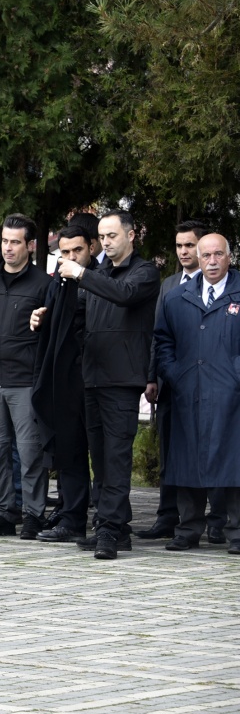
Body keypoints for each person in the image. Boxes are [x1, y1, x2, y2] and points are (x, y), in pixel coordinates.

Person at [39, 211, 160, 559]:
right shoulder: (98, 275)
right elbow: (74, 315)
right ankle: (115, 528)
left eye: (112, 235)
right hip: (91, 378)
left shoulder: (144, 272)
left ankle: (108, 529)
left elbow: (124, 294)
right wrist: (44, 317)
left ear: (131, 235)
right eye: (102, 236)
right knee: (102, 461)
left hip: (122, 380)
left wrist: (81, 274)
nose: (106, 242)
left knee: (117, 459)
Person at [153, 233, 240, 555]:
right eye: (206, 255)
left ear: (230, 257)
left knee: (233, 462)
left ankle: (236, 532)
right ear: (198, 259)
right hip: (188, 391)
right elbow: (163, 341)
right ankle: (188, 529)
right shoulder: (177, 297)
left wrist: (236, 374)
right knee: (187, 460)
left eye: (219, 254)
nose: (212, 261)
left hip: (232, 395)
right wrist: (175, 374)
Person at [140, 220, 221, 541]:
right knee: (172, 451)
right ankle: (167, 515)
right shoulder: (169, 285)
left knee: (215, 449)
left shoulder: (220, 285)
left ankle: (217, 520)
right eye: (179, 246)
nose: (184, 251)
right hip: (173, 384)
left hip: (214, 385)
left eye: (190, 245)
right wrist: (152, 377)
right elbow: (159, 336)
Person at [0, 216, 49, 539]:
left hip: (25, 380)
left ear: (30, 245)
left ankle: (34, 515)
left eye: (15, 241)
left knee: (29, 452)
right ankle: (2, 513)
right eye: (4, 241)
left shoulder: (42, 284)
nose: (8, 247)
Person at [31, 225, 97, 543]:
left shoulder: (100, 279)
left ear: (92, 248)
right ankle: (71, 518)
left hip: (98, 379)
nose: (70, 257)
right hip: (65, 380)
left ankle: (109, 521)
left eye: (77, 251)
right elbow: (53, 323)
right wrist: (39, 320)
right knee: (68, 450)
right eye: (65, 252)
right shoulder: (57, 281)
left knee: (103, 455)